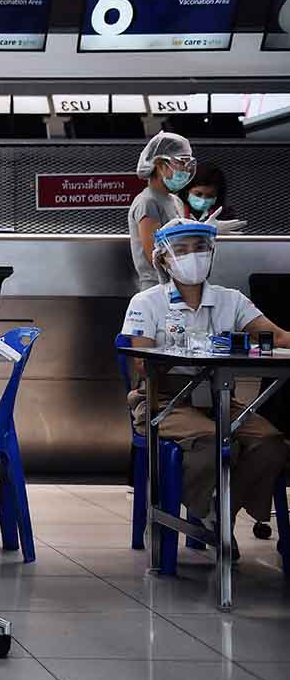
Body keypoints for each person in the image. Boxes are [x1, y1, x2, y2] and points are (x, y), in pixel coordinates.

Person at [122, 218, 290, 536]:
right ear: (163, 259)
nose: (193, 256)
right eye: (182, 250)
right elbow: (141, 364)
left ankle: (221, 509)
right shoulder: (146, 302)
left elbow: (278, 337)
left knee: (271, 444)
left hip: (220, 398)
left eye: (200, 248)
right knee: (214, 441)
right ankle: (208, 511)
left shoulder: (231, 299)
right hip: (163, 401)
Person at [128, 131, 192, 292]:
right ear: (161, 165)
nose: (186, 169)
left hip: (179, 284)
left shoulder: (175, 200)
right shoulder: (147, 201)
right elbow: (155, 256)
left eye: (188, 162)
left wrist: (206, 231)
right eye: (181, 162)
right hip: (156, 287)